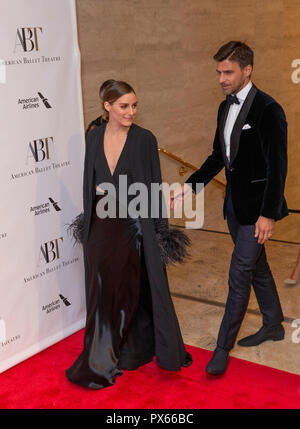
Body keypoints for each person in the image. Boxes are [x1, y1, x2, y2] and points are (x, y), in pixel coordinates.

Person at [66, 80, 192, 389]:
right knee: (101, 292)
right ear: (107, 106)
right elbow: (89, 184)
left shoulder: (144, 139)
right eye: (124, 106)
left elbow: (151, 188)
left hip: (133, 228)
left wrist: (160, 233)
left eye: (134, 106)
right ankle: (102, 353)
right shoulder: (94, 138)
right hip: (100, 228)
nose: (131, 112)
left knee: (131, 291)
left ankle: (128, 352)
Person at [172, 41, 288, 375]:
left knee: (239, 275)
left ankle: (223, 347)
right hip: (234, 209)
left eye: (228, 71)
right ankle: (273, 323)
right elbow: (217, 157)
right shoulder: (225, 106)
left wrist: (268, 214)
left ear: (247, 70)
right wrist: (190, 186)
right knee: (258, 268)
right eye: (219, 72)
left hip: (257, 211)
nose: (222, 78)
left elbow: (277, 167)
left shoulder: (269, 109)